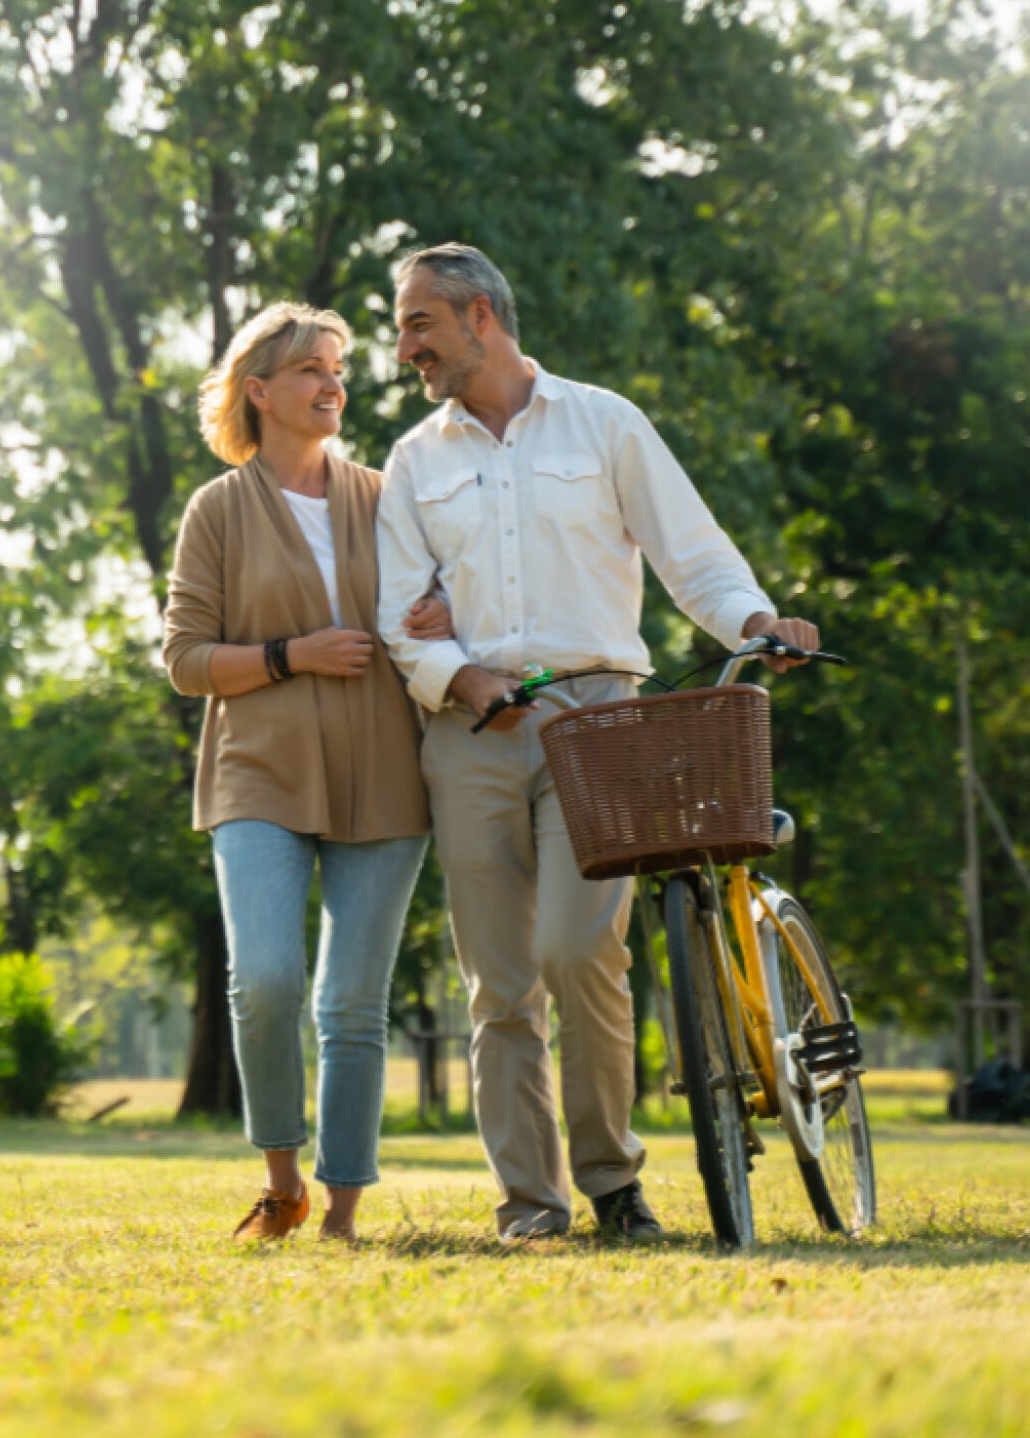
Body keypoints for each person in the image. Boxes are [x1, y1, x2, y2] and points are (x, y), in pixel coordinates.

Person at [375, 243, 819, 1244]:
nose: (403, 347)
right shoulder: (414, 460)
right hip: (469, 732)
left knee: (580, 950)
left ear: (479, 314)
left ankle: (614, 1185)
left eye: (417, 323)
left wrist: (754, 621)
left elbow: (691, 552)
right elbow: (399, 617)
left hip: (598, 725)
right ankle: (530, 1204)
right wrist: (465, 678)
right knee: (499, 984)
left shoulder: (604, 422)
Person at [163, 302, 446, 1243]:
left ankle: (342, 1214)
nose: (334, 386)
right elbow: (187, 661)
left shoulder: (389, 492)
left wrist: (444, 615)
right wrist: (292, 655)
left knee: (352, 1002)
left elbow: (442, 598)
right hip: (259, 774)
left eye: (338, 369)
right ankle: (279, 1180)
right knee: (268, 979)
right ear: (260, 392)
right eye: (311, 371)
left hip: (386, 773)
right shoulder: (217, 511)